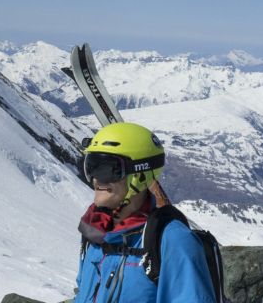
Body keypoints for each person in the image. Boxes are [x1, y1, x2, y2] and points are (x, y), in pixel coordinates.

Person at [74, 122, 218, 302]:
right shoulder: (94, 231)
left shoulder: (171, 240)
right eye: (91, 166)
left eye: (107, 170)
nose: (96, 179)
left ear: (139, 176)